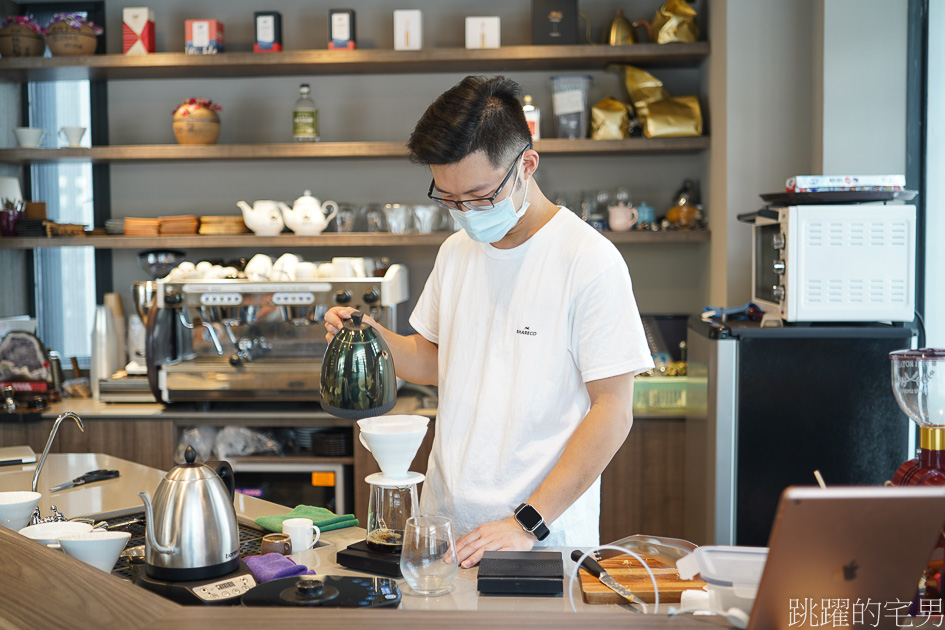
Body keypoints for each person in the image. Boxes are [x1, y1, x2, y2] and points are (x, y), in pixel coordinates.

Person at [324, 75, 653, 568]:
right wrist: (368, 337)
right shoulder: (457, 252)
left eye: (479, 196)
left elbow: (613, 411)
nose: (466, 213)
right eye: (450, 199)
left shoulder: (588, 260)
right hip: (445, 527)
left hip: (538, 537)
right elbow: (436, 359)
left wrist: (528, 522)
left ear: (527, 165)